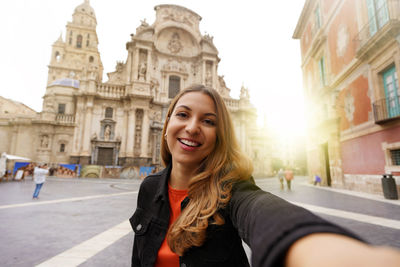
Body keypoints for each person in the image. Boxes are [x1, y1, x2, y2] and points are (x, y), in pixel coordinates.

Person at [130, 85, 400, 267]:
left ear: (219, 138)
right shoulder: (150, 188)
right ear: (167, 125)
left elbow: (262, 212)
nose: (192, 127)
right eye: (183, 114)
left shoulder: (230, 190)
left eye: (208, 121)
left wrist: (309, 242)